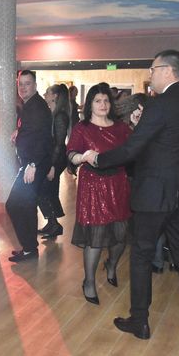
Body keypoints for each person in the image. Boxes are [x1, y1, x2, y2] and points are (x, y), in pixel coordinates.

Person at [81, 49, 179, 341]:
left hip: (156, 193)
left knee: (142, 253)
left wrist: (97, 159)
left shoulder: (159, 104)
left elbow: (132, 149)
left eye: (152, 70)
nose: (150, 75)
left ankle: (140, 321)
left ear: (167, 71)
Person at [66, 84, 132, 305]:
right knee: (95, 238)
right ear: (90, 104)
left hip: (118, 183)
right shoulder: (82, 128)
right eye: (97, 101)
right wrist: (83, 157)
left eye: (106, 101)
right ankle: (89, 281)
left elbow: (134, 150)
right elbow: (71, 153)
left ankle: (111, 264)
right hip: (93, 186)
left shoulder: (122, 128)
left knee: (120, 235)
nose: (103, 105)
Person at [6, 70, 52, 263]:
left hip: (34, 164)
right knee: (26, 204)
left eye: (27, 83)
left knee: (14, 204)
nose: (23, 87)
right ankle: (29, 247)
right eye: (21, 84)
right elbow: (34, 130)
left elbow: (43, 139)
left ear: (35, 85)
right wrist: (19, 131)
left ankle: (29, 248)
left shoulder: (37, 107)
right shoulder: (32, 105)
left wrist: (33, 164)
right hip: (33, 163)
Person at [38, 84, 70, 239]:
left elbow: (59, 143)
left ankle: (54, 224)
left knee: (43, 190)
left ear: (55, 96)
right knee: (49, 190)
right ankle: (52, 224)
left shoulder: (60, 116)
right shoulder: (53, 113)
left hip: (56, 158)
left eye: (47, 92)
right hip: (54, 157)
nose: (45, 95)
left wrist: (52, 166)